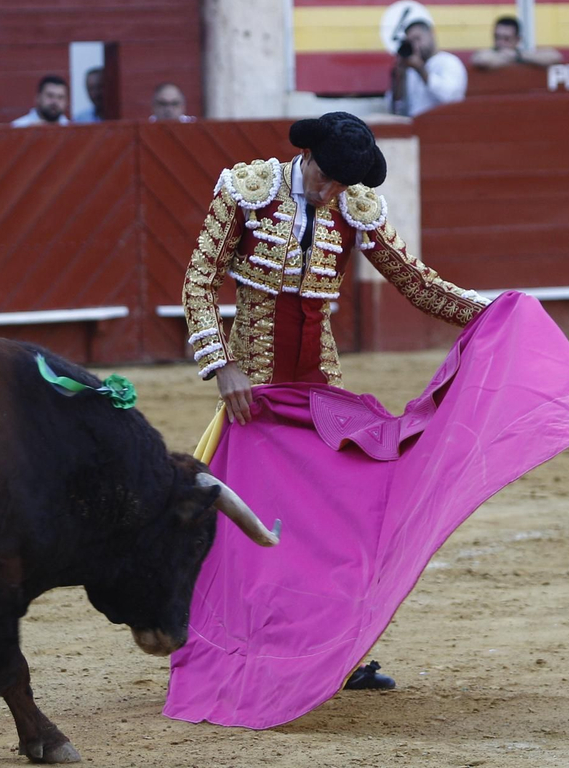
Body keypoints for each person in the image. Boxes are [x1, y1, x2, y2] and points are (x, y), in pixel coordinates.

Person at [180, 112, 492, 693]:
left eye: (345, 184)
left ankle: (332, 653)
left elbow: (416, 283)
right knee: (251, 523)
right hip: (256, 391)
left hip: (320, 390)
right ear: (309, 157)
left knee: (333, 522)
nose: (333, 192)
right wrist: (223, 366)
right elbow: (199, 282)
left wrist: (491, 312)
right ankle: (244, 643)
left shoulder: (354, 205)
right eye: (328, 178)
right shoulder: (247, 190)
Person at [389, 17, 466, 116]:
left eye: (417, 39)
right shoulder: (410, 70)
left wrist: (420, 69)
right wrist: (400, 77)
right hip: (414, 125)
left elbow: (450, 97)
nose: (415, 45)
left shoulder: (449, 61)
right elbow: (397, 109)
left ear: (431, 34)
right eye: (410, 42)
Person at [470, 15, 558, 68]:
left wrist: (518, 56)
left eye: (506, 38)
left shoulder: (522, 55)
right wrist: (510, 57)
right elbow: (483, 60)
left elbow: (554, 57)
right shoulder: (486, 53)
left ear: (518, 40)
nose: (500, 42)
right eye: (497, 37)